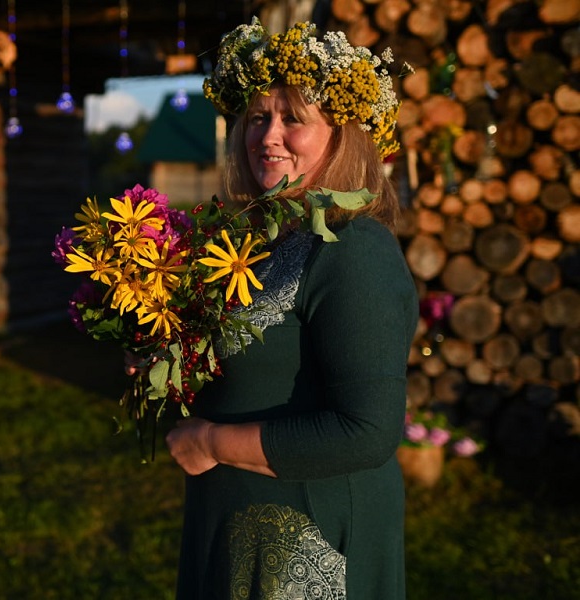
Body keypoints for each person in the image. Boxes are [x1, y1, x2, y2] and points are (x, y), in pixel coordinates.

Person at [165, 19, 418, 599]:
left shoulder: (352, 249)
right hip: (235, 522)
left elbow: (367, 431)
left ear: (341, 137)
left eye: (293, 119)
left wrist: (209, 444)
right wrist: (167, 363)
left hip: (310, 540)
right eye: (257, 117)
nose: (268, 136)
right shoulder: (257, 239)